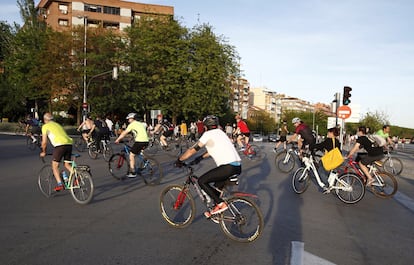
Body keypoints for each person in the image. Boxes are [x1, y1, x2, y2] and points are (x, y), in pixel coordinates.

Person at [175, 115, 242, 218]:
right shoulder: (221, 133)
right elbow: (212, 149)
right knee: (216, 188)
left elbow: (192, 150)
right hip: (237, 166)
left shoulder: (207, 135)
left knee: (202, 181)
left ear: (206, 126)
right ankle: (215, 209)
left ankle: (221, 204)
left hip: (227, 167)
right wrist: (200, 158)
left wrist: (180, 160)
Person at [39, 112, 73, 192]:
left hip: (59, 146)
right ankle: (76, 175)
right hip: (69, 144)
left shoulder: (45, 126)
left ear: (45, 120)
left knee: (54, 166)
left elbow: (44, 142)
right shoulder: (57, 125)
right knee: (67, 164)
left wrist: (43, 151)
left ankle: (60, 184)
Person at [115, 113, 149, 177]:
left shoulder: (132, 124)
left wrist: (118, 139)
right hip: (146, 141)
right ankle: (145, 163)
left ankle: (133, 172)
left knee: (131, 155)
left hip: (140, 141)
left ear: (132, 119)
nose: (128, 121)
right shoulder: (140, 123)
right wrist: (131, 138)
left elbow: (124, 133)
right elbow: (139, 132)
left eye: (129, 119)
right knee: (138, 153)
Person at [313, 127, 342, 192]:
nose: (328, 133)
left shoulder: (328, 140)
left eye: (328, 132)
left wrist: (312, 146)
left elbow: (321, 145)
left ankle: (327, 185)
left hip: (330, 160)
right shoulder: (337, 141)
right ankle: (332, 182)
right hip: (336, 160)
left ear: (332, 133)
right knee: (326, 169)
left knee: (320, 170)